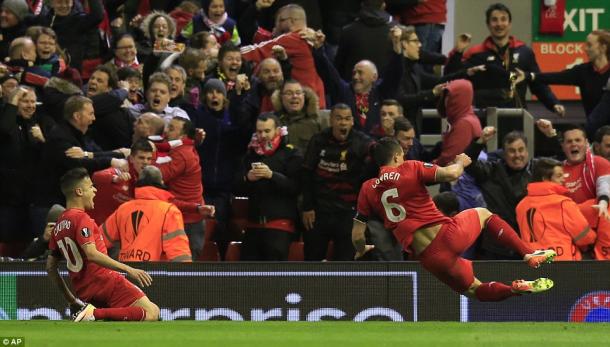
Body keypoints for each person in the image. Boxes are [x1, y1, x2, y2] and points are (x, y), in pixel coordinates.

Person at [352, 138, 556, 301]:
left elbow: (357, 234)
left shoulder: (367, 188)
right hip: (447, 236)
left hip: (430, 259)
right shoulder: (410, 168)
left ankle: (514, 289)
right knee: (484, 214)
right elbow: (452, 174)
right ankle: (529, 254)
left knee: (475, 291)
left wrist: (361, 249)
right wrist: (461, 162)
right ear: (397, 156)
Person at [47, 167, 160, 321]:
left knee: (151, 309)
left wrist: (71, 300)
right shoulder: (81, 219)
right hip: (105, 282)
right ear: (79, 192)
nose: (95, 191)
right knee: (151, 313)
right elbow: (91, 253)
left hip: (84, 291)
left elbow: (50, 267)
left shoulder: (59, 225)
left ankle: (92, 315)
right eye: (91, 187)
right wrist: (129, 269)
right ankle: (92, 314)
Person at [445, 3, 563, 117]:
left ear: (509, 23)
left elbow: (538, 84)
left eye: (503, 19)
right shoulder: (476, 54)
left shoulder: (524, 52)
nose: (499, 24)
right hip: (484, 117)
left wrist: (553, 103)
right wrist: (458, 52)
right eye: (494, 20)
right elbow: (452, 77)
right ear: (488, 24)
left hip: (517, 116)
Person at [302, 103, 374, 261]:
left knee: (345, 261)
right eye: (339, 118)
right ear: (331, 120)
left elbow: (373, 164)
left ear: (352, 122)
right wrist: (307, 207)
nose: (343, 123)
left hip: (348, 212)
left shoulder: (362, 142)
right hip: (320, 211)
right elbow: (306, 173)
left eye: (347, 119)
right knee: (312, 259)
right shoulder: (318, 140)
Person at [518, 30, 609, 139]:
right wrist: (528, 76)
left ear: (603, 47)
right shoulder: (583, 71)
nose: (585, 48)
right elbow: (556, 77)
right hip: (594, 133)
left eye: (589, 45)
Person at [236, 113, 303, 261]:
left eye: (267, 131)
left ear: (278, 130)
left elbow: (295, 187)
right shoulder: (250, 154)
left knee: (274, 275)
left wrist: (271, 175)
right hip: (253, 225)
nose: (263, 135)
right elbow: (236, 186)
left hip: (280, 226)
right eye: (259, 131)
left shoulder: (292, 153)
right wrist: (247, 178)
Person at [102, 166, 192, 262]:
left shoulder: (123, 209)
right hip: (154, 273)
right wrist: (185, 275)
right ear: (161, 183)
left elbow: (99, 239)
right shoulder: (169, 211)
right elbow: (179, 253)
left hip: (127, 272)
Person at [516, 158, 596, 261]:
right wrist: (594, 236)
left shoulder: (521, 206)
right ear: (545, 178)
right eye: (559, 176)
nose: (563, 179)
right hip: (564, 263)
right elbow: (585, 237)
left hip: (533, 263)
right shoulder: (563, 203)